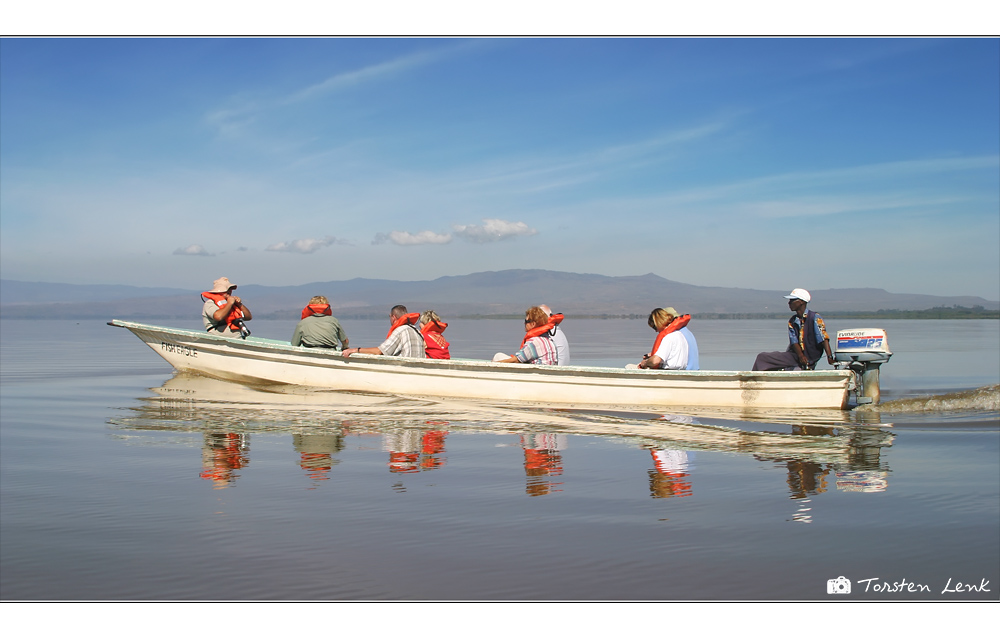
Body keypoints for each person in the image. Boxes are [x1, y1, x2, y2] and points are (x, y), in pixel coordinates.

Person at [752, 288, 835, 371]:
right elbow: (794, 342)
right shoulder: (792, 321)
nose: (789, 303)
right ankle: (754, 379)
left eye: (792, 300)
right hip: (795, 356)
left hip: (810, 356)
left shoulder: (815, 318)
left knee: (763, 358)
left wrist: (829, 356)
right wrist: (800, 356)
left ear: (801, 302)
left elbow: (823, 339)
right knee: (762, 357)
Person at [342, 305, 425, 358]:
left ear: (393, 317)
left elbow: (379, 351)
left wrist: (356, 350)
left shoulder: (400, 330)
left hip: (404, 368)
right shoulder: (417, 331)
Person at [494, 306, 558, 365]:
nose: (524, 323)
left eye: (526, 321)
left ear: (533, 324)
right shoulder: (549, 340)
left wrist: (495, 364)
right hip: (546, 372)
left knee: (498, 356)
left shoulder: (534, 342)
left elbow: (516, 360)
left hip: (537, 374)